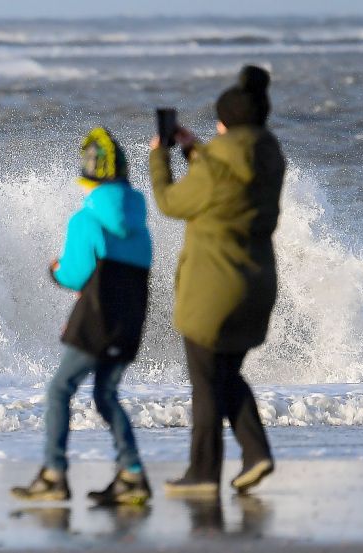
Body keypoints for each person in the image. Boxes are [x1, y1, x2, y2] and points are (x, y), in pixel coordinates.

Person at [149, 65, 285, 496]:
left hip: (213, 290)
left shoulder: (217, 164)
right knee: (225, 375)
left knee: (206, 382)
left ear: (225, 122)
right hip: (256, 286)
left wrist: (161, 156)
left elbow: (171, 202)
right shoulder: (268, 156)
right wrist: (197, 152)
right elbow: (227, 183)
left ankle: (203, 474)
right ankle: (256, 453)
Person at [11, 127, 153, 506]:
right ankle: (132, 474)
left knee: (59, 390)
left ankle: (54, 474)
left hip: (97, 317)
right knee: (106, 395)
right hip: (131, 319)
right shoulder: (139, 222)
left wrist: (54, 270)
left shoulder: (85, 219)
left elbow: (75, 274)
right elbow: (125, 276)